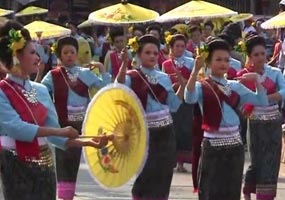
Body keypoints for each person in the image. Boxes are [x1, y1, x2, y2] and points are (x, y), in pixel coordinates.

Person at [0, 20, 107, 200]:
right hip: (15, 166)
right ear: (16, 56)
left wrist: (89, 141)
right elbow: (16, 128)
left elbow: (56, 137)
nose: (38, 58)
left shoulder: (40, 90)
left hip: (45, 165)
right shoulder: (2, 91)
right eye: (33, 52)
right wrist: (59, 130)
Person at [185, 39, 268, 200]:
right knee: (209, 192)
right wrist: (195, 71)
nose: (223, 64)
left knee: (231, 192)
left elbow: (262, 101)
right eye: (218, 59)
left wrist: (257, 81)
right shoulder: (202, 86)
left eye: (226, 60)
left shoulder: (235, 86)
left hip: (235, 147)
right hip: (212, 146)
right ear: (208, 62)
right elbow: (189, 98)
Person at [40, 36, 111, 200]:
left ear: (77, 53)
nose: (69, 55)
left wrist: (102, 69)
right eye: (65, 52)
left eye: (72, 52)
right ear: (59, 55)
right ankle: (65, 195)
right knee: (63, 159)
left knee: (74, 160)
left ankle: (68, 193)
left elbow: (104, 88)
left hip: (81, 123)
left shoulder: (85, 73)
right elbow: (40, 92)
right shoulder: (53, 75)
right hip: (62, 124)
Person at [117, 35, 184, 200]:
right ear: (138, 55)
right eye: (147, 52)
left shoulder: (163, 77)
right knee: (145, 173)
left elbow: (174, 105)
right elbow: (118, 87)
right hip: (144, 132)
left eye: (155, 53)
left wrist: (183, 86)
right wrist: (124, 63)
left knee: (164, 173)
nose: (152, 56)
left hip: (166, 132)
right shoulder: (132, 76)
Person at [237, 36, 285, 200]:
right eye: (256, 54)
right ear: (250, 57)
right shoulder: (245, 76)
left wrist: (268, 98)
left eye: (262, 53)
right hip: (255, 121)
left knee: (272, 160)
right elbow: (240, 99)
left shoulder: (275, 73)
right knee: (257, 160)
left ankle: (264, 196)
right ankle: (248, 188)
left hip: (273, 120)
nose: (260, 57)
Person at [161, 34, 194, 173]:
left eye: (182, 46)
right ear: (171, 47)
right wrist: (173, 85)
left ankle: (182, 161)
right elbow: (162, 82)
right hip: (172, 99)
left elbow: (196, 79)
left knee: (185, 129)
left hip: (187, 100)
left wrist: (184, 83)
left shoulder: (191, 61)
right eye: (177, 46)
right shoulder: (166, 64)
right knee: (172, 129)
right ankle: (172, 160)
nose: (180, 49)